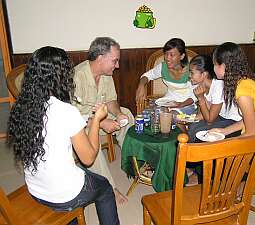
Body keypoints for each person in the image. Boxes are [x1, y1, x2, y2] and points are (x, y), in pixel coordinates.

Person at [7, 46, 119, 225]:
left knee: (77, 173)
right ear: (60, 76)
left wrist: (87, 120)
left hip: (36, 189)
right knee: (104, 187)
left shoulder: (23, 107)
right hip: (63, 195)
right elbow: (89, 158)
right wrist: (97, 119)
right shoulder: (65, 111)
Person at [72, 37, 133, 204]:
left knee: (127, 114)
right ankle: (109, 187)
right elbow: (71, 117)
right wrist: (99, 122)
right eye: (114, 60)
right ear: (100, 58)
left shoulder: (107, 75)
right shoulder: (77, 77)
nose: (118, 65)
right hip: (79, 127)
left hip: (99, 117)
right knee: (90, 142)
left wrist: (118, 113)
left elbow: (111, 101)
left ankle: (132, 160)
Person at [211, 42, 255, 158]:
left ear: (223, 66)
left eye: (214, 64)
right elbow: (249, 121)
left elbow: (251, 133)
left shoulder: (242, 91)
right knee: (215, 145)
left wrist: (225, 142)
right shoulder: (244, 81)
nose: (213, 68)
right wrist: (224, 131)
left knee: (215, 151)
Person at [187, 54, 242, 142]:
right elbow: (203, 114)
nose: (189, 76)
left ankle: (194, 153)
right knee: (193, 126)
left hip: (235, 121)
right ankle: (189, 153)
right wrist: (188, 119)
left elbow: (209, 120)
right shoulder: (202, 87)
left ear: (204, 74)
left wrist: (201, 99)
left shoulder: (218, 86)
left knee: (198, 132)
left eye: (192, 72)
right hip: (221, 117)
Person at [135, 38, 197, 115]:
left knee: (172, 117)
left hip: (188, 104)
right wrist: (141, 86)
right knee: (150, 114)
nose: (167, 58)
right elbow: (147, 76)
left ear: (182, 56)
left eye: (172, 55)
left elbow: (196, 94)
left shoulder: (192, 70)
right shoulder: (163, 67)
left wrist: (180, 104)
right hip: (168, 102)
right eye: (166, 54)